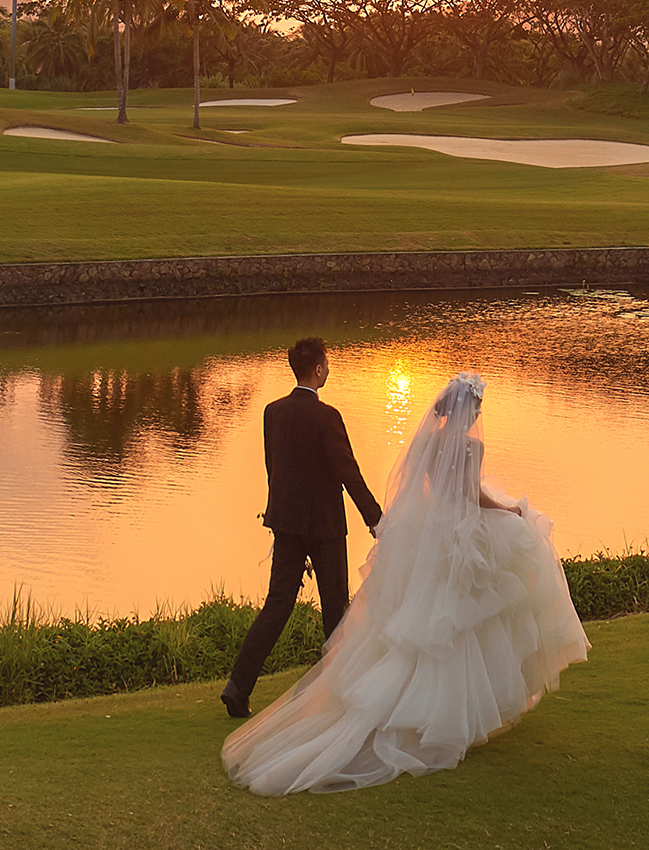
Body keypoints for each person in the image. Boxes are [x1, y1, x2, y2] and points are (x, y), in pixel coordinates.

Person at [222, 371, 588, 795]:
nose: (480, 414)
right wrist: (508, 510)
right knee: (439, 620)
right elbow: (456, 493)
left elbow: (276, 468)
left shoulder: (278, 413)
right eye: (479, 407)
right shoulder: (463, 444)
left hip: (316, 523)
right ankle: (438, 712)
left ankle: (261, 684)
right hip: (346, 527)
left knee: (296, 605)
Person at [220, 336, 383, 720]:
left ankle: (237, 687)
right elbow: (347, 471)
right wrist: (375, 518)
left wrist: (281, 518)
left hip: (287, 523)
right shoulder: (328, 416)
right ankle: (342, 692)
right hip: (324, 526)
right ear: (320, 369)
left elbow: (273, 468)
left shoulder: (272, 412)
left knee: (277, 604)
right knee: (335, 610)